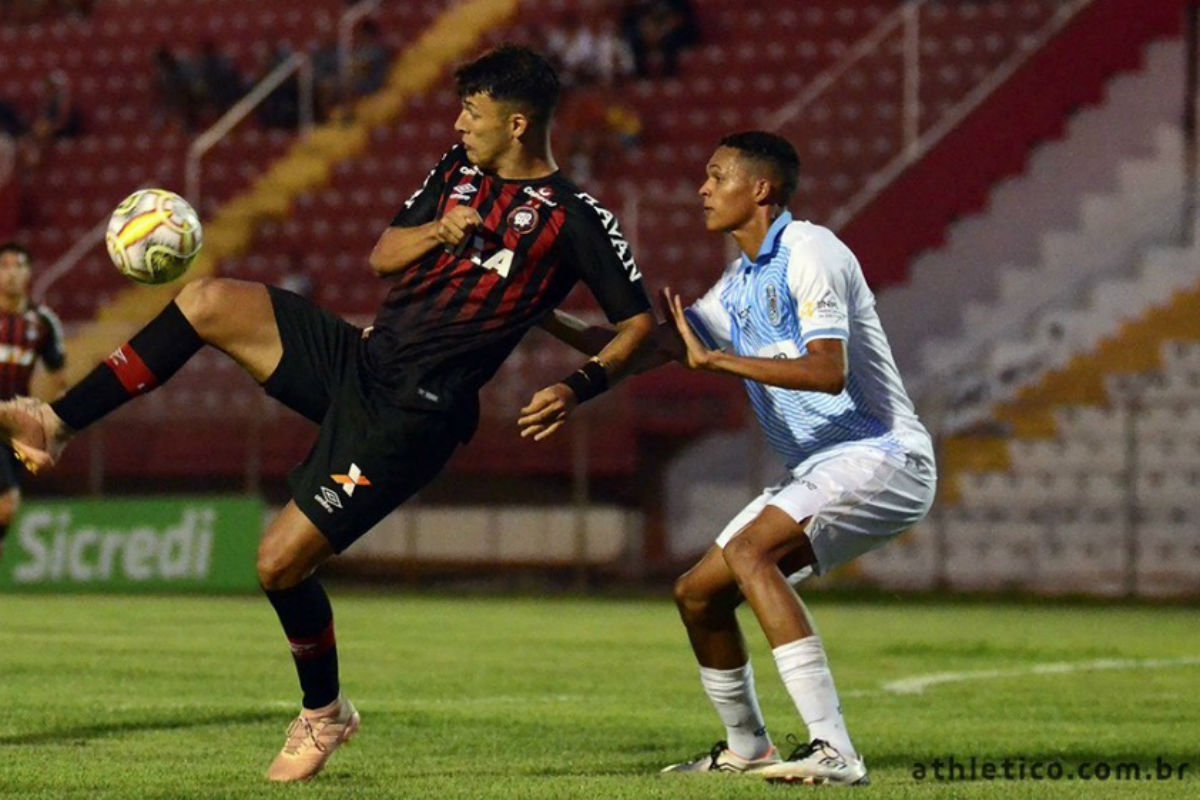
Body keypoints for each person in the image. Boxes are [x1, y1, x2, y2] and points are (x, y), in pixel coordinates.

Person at [0, 45, 653, 782]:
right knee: (208, 300)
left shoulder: (578, 219)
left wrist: (576, 387)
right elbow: (383, 255)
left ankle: (325, 713)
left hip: (415, 413)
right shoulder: (459, 169)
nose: (459, 123)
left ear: (518, 122)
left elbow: (635, 326)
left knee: (278, 564)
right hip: (361, 359)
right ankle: (55, 422)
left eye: (473, 111)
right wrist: (437, 231)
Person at [541, 131, 936, 786]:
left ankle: (835, 751)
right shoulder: (739, 282)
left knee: (752, 554)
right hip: (822, 468)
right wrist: (544, 318)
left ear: (760, 188)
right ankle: (747, 746)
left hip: (883, 455)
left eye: (717, 175)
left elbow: (828, 371)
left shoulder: (810, 250)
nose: (703, 188)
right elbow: (649, 348)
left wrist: (720, 361)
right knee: (698, 595)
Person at [0, 243, 66, 561]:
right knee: (7, 501)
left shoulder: (42, 322)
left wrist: (53, 419)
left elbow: (57, 377)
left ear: (28, 273)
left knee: (7, 507)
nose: (11, 273)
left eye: (19, 266)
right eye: (4, 266)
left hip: (16, 426)